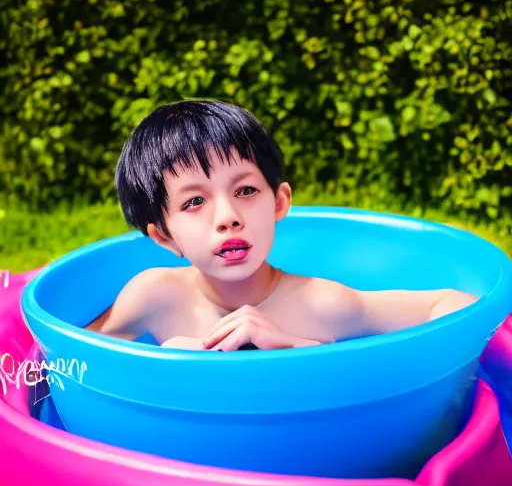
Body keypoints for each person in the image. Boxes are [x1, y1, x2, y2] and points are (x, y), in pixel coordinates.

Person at [86, 100, 477, 351]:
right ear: (164, 236)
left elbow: (459, 307)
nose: (227, 217)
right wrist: (162, 364)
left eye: (246, 190)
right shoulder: (153, 296)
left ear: (278, 202)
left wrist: (295, 347)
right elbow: (64, 359)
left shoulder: (322, 305)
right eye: (194, 201)